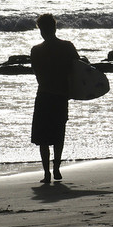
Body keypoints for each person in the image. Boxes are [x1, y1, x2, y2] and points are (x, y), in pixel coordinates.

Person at [30, 13, 79, 184]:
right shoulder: (67, 47)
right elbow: (78, 69)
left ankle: (46, 173)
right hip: (61, 95)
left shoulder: (36, 50)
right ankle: (56, 167)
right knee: (58, 134)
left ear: (41, 30)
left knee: (43, 137)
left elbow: (36, 73)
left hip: (43, 95)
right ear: (55, 28)